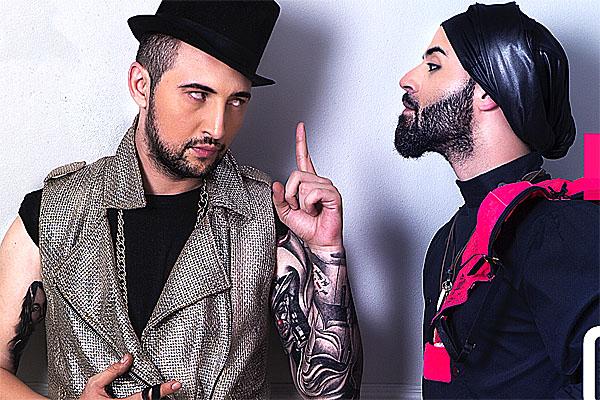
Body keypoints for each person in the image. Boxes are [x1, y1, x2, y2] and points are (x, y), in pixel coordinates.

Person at [0, 1, 362, 399]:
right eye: (197, 94)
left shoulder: (270, 217)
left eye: (237, 101)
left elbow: (334, 392)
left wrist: (326, 252)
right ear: (141, 85)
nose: (218, 127)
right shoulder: (52, 211)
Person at [394, 2, 598, 398]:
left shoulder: (560, 229)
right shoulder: (446, 241)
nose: (407, 79)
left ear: (487, 90)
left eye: (433, 66)